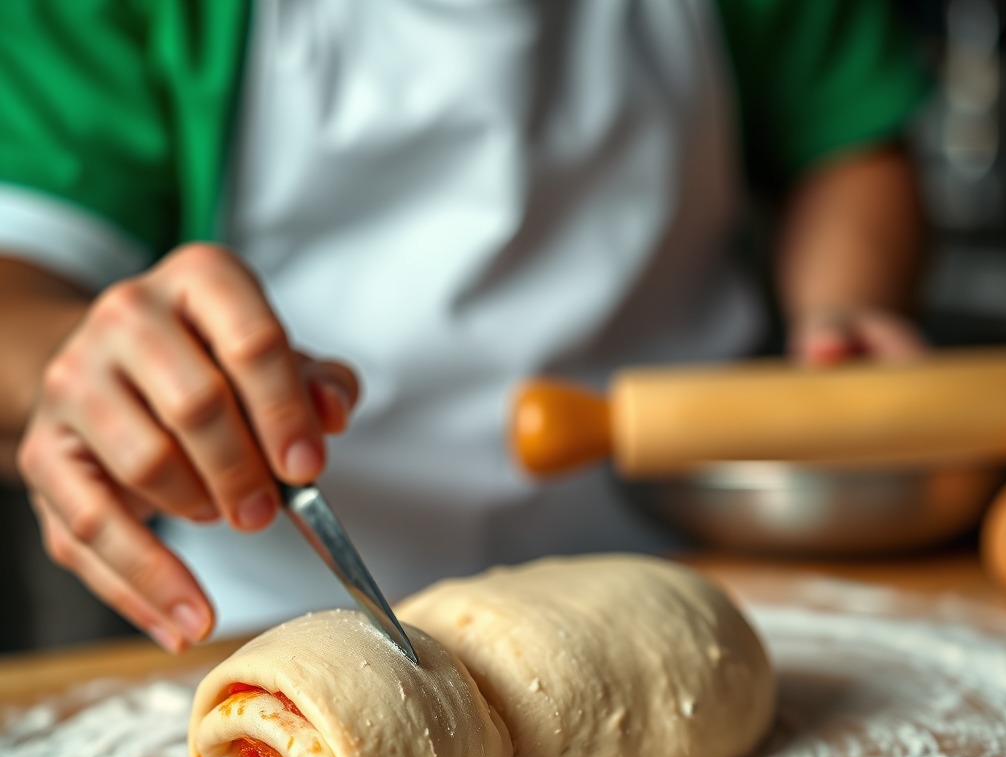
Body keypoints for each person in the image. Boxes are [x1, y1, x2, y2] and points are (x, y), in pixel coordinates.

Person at [0, 0, 930, 650]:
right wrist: (77, 368)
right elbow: (21, 278)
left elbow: (845, 145)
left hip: (695, 574)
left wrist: (843, 306)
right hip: (281, 613)